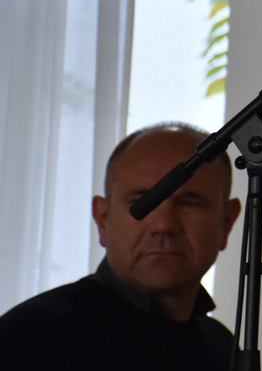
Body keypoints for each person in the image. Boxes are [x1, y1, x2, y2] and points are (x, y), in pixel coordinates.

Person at [0, 123, 242, 370]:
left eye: (189, 203)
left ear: (226, 222)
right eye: (143, 201)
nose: (163, 225)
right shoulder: (27, 339)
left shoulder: (223, 348)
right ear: (103, 219)